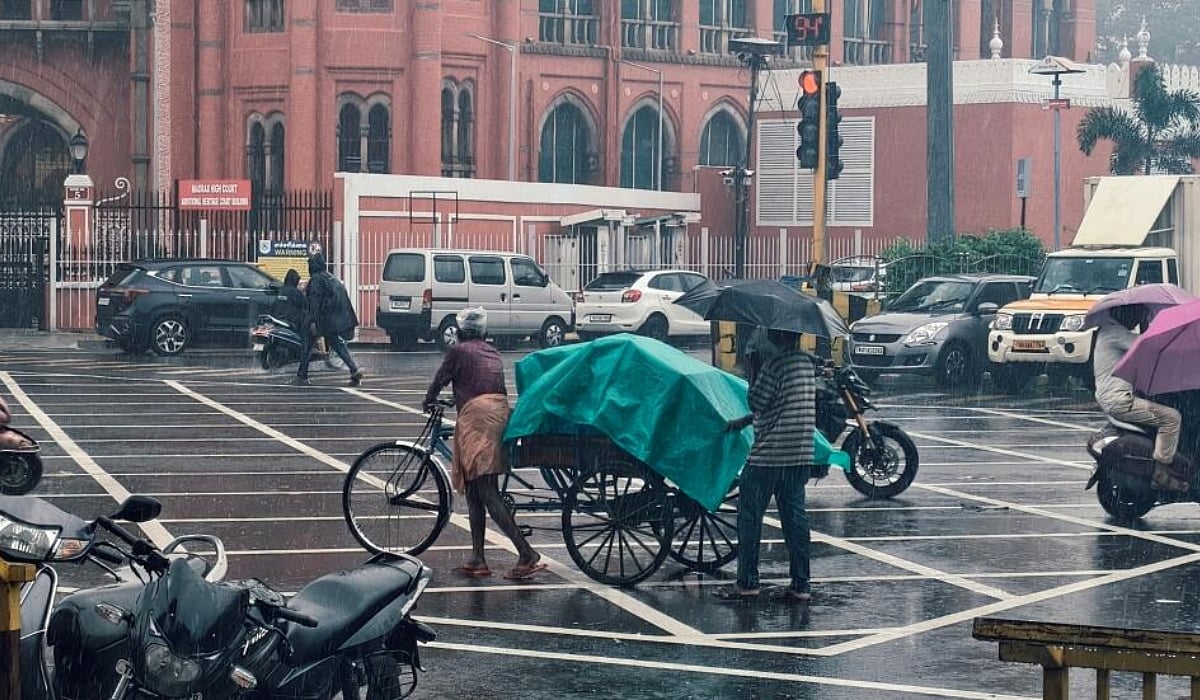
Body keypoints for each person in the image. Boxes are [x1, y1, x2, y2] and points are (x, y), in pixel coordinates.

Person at [423, 307, 545, 581]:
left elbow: (440, 379)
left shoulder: (458, 351)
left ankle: (526, 554)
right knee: (474, 491)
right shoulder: (492, 352)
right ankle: (478, 558)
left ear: (460, 332)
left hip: (478, 418)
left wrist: (428, 400)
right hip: (498, 413)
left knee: (487, 491)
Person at [716, 328, 817, 603]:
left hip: (770, 456)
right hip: (799, 453)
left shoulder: (774, 365)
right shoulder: (805, 364)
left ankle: (748, 582)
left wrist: (753, 369)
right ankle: (801, 584)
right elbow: (781, 404)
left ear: (776, 336)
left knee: (749, 517)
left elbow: (756, 401)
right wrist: (744, 422)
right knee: (795, 519)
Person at [1093, 304, 1187, 490]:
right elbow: (1148, 347)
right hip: (1120, 400)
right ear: (1124, 314)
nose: (1136, 321)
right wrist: (1149, 326)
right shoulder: (1115, 333)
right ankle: (1161, 470)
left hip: (1112, 397)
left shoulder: (1107, 332)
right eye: (1136, 316)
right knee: (1171, 418)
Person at [292, 253, 364, 387]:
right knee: (336, 343)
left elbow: (314, 303)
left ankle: (302, 375)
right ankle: (354, 369)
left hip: (323, 319)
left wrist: (313, 322)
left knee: (306, 343)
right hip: (334, 319)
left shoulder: (316, 280)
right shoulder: (331, 278)